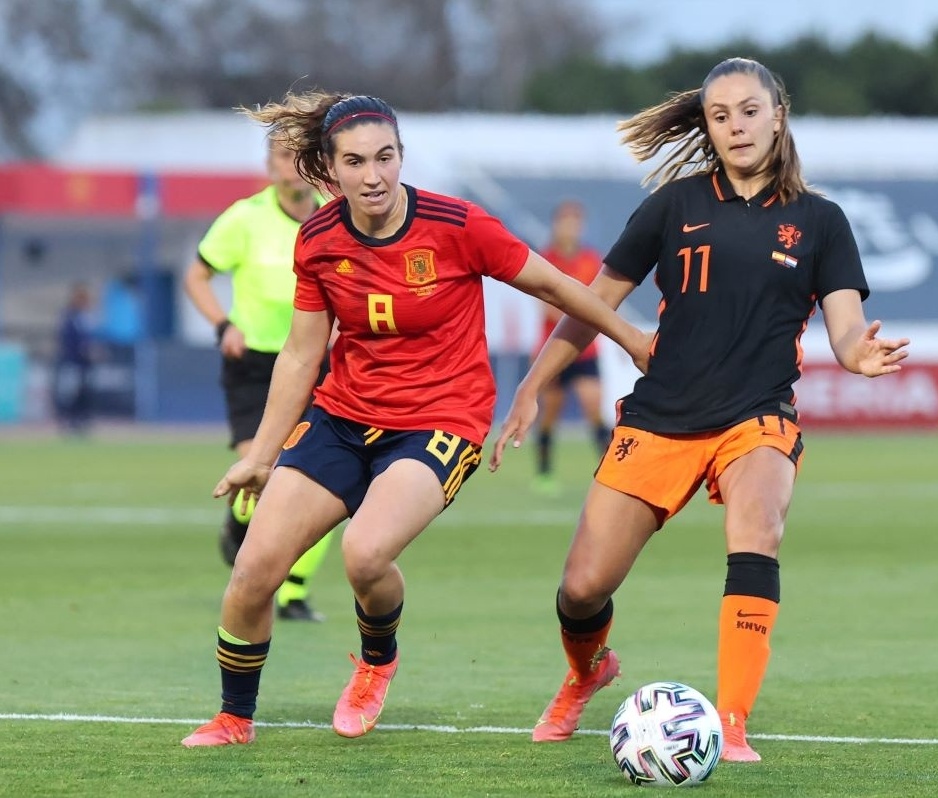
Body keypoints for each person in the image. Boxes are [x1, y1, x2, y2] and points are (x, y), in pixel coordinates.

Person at [180, 92, 651, 748]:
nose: (373, 175)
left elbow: (553, 286)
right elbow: (300, 353)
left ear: (401, 157)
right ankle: (234, 718)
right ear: (330, 168)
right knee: (254, 569)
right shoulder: (318, 240)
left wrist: (629, 338)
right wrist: (261, 452)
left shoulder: (458, 225)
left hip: (441, 421)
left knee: (364, 554)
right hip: (342, 416)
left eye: (385, 157)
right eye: (355, 161)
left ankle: (377, 662)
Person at [490, 57, 910, 763]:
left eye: (750, 110)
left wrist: (855, 352)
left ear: (779, 115)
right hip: (660, 417)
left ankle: (733, 722)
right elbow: (591, 302)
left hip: (758, 417)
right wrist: (532, 387)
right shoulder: (672, 207)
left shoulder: (821, 221)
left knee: (758, 531)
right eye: (720, 116)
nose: (736, 125)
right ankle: (585, 672)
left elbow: (844, 326)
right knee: (581, 588)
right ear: (707, 127)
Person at [183, 137, 333, 622]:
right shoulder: (244, 218)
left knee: (322, 476)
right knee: (259, 471)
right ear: (269, 167)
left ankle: (294, 591)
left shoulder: (336, 215)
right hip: (254, 364)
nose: (292, 167)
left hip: (316, 363)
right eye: (282, 157)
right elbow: (196, 276)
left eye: (300, 156)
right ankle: (237, 525)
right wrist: (223, 325)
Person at [531, 200, 612, 495]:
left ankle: (609, 469)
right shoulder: (545, 258)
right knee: (550, 413)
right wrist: (581, 311)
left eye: (576, 222)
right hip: (553, 348)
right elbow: (545, 304)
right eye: (566, 221)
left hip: (586, 349)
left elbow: (601, 298)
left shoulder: (592, 259)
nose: (570, 227)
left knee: (594, 406)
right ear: (556, 224)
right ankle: (544, 473)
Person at [53, 282, 96, 434]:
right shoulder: (69, 317)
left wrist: (92, 351)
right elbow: (67, 339)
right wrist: (80, 351)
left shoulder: (87, 318)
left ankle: (81, 422)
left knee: (84, 393)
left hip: (85, 364)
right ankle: (68, 423)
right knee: (70, 393)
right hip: (71, 361)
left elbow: (89, 339)